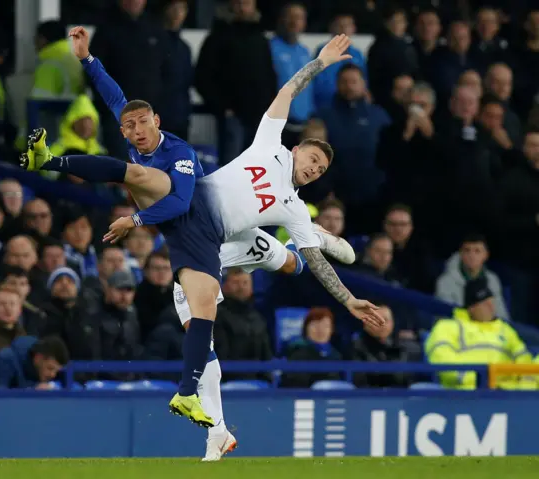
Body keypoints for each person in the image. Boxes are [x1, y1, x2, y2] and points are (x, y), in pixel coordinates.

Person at [21, 28, 382, 454]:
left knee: (288, 263)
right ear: (298, 148)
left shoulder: (294, 207)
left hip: (219, 233)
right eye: (313, 160)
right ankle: (217, 430)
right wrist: (319, 62)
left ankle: (316, 240)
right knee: (195, 314)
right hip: (210, 236)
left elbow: (317, 269)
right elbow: (287, 89)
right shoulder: (269, 143)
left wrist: (349, 300)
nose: (314, 169)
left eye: (320, 171)